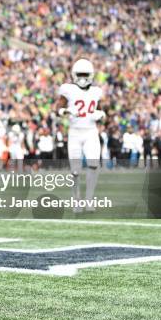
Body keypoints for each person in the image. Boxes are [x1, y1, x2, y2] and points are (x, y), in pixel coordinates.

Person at [57, 58, 105, 213]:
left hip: (91, 131)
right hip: (75, 132)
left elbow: (103, 111)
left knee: (93, 164)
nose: (83, 78)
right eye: (80, 74)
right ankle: (76, 200)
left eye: (86, 74)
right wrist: (66, 111)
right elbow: (57, 108)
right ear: (74, 75)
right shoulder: (68, 90)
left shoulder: (96, 92)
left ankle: (89, 200)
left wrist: (101, 114)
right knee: (75, 171)